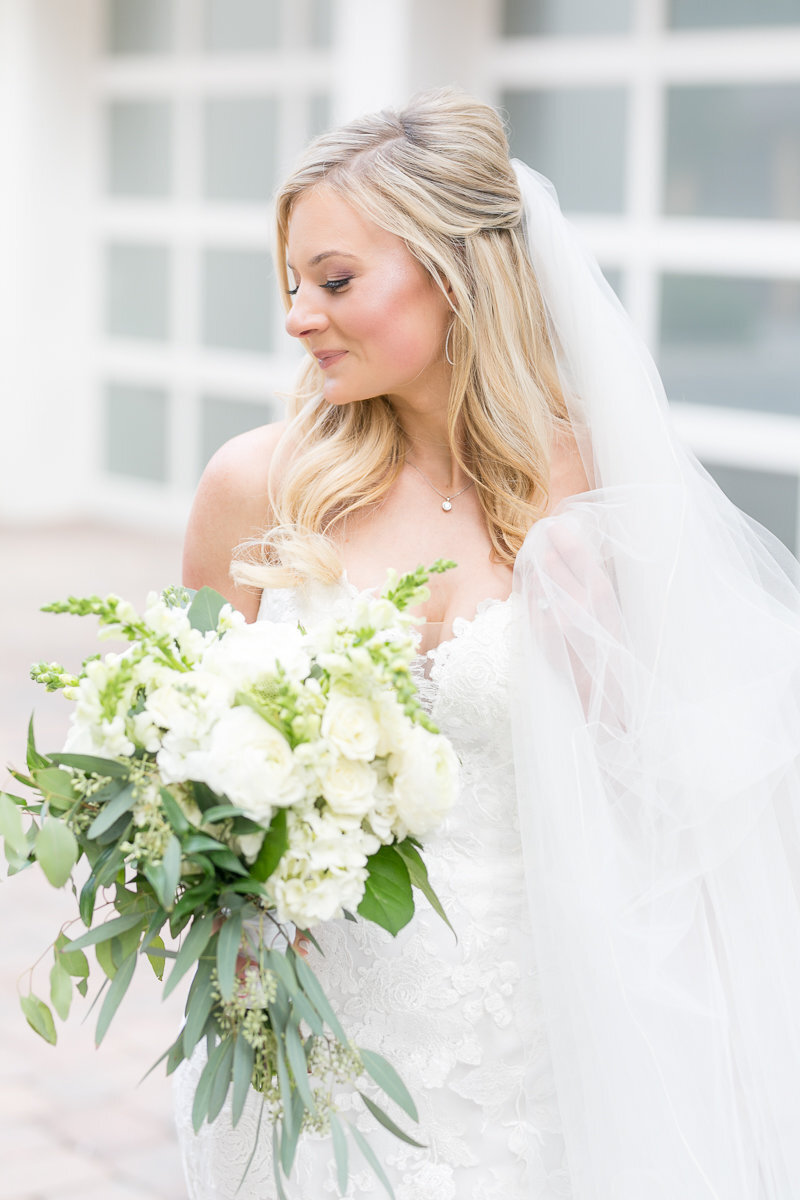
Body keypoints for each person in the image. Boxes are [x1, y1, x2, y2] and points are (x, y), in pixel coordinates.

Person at [174, 89, 800, 1199]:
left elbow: (674, 795)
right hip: (326, 1019)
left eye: (333, 280)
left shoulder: (593, 479)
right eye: (290, 285)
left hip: (537, 1028)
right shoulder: (254, 486)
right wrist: (231, 895)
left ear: (452, 272)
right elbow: (179, 758)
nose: (298, 317)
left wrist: (596, 641)